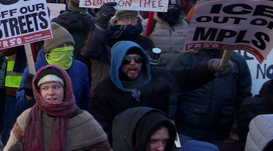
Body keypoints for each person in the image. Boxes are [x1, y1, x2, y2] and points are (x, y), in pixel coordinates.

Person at [88, 41, 225, 139]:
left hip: (157, 144)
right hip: (124, 149)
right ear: (117, 62)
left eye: (138, 58)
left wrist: (209, 68)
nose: (133, 63)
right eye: (126, 60)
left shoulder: (157, 76)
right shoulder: (103, 92)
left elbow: (186, 77)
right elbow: (102, 129)